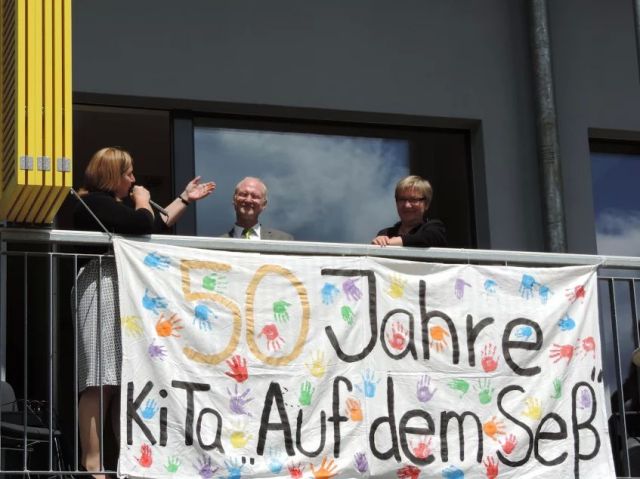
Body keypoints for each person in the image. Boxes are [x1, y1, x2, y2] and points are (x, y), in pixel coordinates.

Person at [72, 146, 215, 477]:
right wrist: (142, 199)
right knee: (100, 378)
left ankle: (127, 460)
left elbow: (154, 224)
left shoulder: (118, 207)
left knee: (125, 380)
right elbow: (139, 222)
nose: (134, 179)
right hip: (101, 287)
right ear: (113, 175)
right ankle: (93, 462)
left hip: (123, 289)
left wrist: (184, 199)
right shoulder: (91, 203)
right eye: (129, 173)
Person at [372, 175, 446, 247]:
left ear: (426, 204)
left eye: (413, 199)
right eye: (402, 199)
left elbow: (427, 238)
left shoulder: (434, 228)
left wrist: (391, 242)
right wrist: (379, 242)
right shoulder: (386, 233)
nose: (407, 205)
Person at [221, 176, 293, 240]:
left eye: (255, 196)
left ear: (264, 204)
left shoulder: (283, 240)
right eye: (244, 194)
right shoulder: (217, 244)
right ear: (234, 200)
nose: (248, 200)